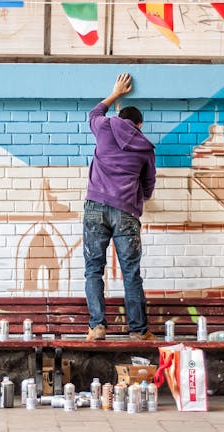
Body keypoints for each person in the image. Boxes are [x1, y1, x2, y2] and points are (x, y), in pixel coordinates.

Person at [83, 73, 157, 341]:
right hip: (126, 212)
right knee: (131, 273)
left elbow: (94, 112)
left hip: (95, 207)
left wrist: (115, 92)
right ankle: (138, 331)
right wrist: (140, 197)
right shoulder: (145, 147)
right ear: (139, 124)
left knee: (93, 269)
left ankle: (98, 326)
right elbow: (148, 184)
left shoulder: (104, 127)